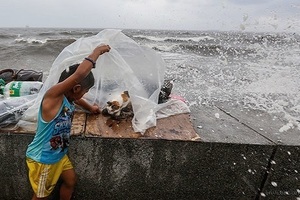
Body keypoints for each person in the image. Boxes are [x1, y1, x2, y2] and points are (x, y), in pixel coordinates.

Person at [26, 44, 111, 200]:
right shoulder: (52, 97)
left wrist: (91, 108)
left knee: (70, 181)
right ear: (76, 88)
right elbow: (79, 75)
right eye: (86, 91)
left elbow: (78, 100)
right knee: (41, 196)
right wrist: (96, 52)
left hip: (59, 155)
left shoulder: (68, 98)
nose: (85, 94)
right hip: (43, 159)